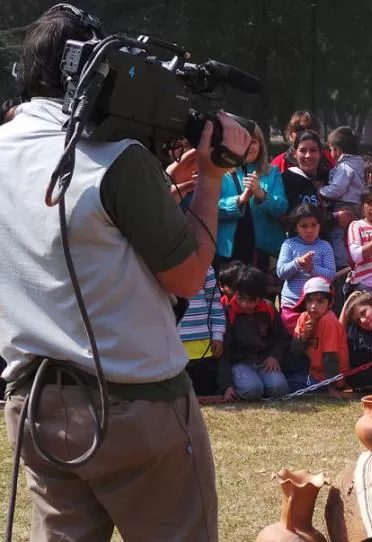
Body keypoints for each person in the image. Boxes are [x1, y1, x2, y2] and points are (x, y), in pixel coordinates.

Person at [0, 5, 251, 539]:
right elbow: (188, 277)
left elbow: (63, 229)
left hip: (35, 406)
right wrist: (210, 179)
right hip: (135, 409)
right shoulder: (117, 161)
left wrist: (156, 190)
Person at [216, 125, 288, 273]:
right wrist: (240, 200)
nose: (250, 146)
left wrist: (262, 195)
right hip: (230, 253)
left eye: (254, 141)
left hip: (266, 253)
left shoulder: (271, 171)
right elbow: (212, 209)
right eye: (244, 140)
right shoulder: (220, 172)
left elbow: (282, 207)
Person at [218, 266, 290, 401]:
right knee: (252, 390)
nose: (244, 304)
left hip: (264, 361)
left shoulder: (268, 308)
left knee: (279, 388)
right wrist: (226, 386)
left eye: (250, 300)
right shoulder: (228, 312)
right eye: (240, 298)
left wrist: (274, 356)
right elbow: (224, 352)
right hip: (239, 362)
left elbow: (283, 337)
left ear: (260, 299)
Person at [276, 203, 337, 333]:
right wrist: (298, 262)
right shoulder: (289, 244)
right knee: (291, 344)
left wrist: (312, 268)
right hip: (292, 305)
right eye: (304, 226)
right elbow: (281, 272)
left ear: (320, 225)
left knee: (315, 346)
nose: (309, 230)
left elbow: (331, 276)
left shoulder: (324, 246)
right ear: (296, 227)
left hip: (317, 308)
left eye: (314, 225)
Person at [284, 277, 350, 394]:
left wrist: (333, 387)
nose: (313, 306)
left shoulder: (328, 320)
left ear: (330, 303)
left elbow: (331, 357)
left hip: (326, 377)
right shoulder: (304, 317)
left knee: (282, 386)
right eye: (310, 301)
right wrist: (305, 336)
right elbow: (295, 350)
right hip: (312, 370)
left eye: (320, 301)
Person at [323, 125, 366, 269]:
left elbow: (337, 189)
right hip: (357, 203)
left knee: (336, 235)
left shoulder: (344, 166)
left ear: (337, 149)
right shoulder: (358, 163)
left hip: (345, 204)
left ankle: (342, 265)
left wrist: (321, 191)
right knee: (354, 236)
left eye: (331, 149)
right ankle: (356, 261)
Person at [178, 267, 225, 397]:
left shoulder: (204, 265)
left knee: (203, 391)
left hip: (202, 348)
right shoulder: (158, 262)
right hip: (171, 347)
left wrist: (218, 335)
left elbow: (215, 302)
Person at [270, 110, 334, 176]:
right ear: (290, 135)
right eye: (299, 130)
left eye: (310, 129)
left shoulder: (332, 159)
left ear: (318, 133)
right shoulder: (278, 164)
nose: (305, 133)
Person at [281, 130, 329, 214]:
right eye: (303, 150)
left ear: (320, 153)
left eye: (313, 150)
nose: (308, 155)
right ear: (295, 153)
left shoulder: (329, 178)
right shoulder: (287, 179)